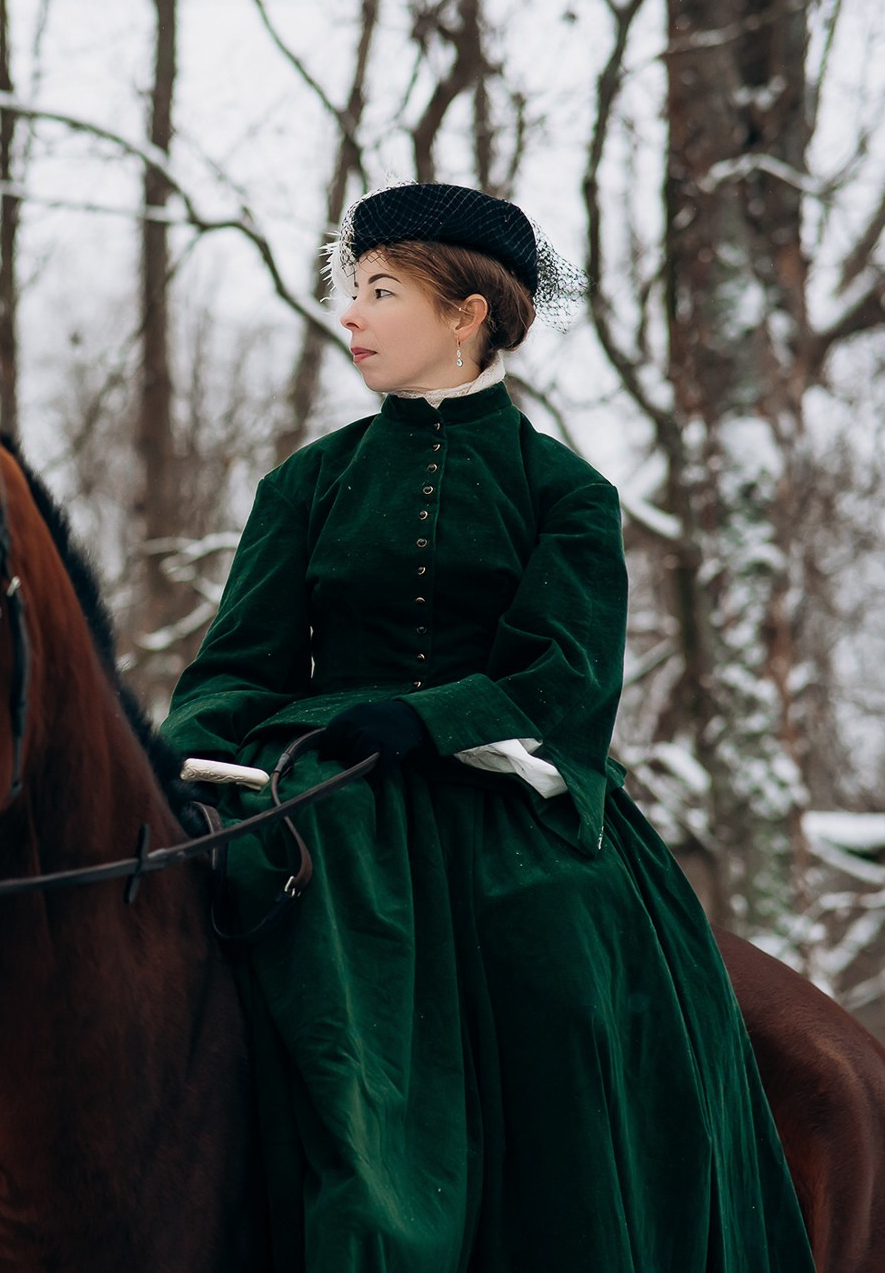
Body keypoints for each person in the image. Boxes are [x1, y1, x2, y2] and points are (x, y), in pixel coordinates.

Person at [160, 183, 816, 1271]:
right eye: (351, 290)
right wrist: (177, 754)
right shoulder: (304, 483)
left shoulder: (565, 492)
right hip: (322, 778)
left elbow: (564, 676)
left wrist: (432, 719)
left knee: (567, 971)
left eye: (380, 291)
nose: (352, 316)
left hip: (507, 797)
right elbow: (236, 663)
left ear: (467, 313)